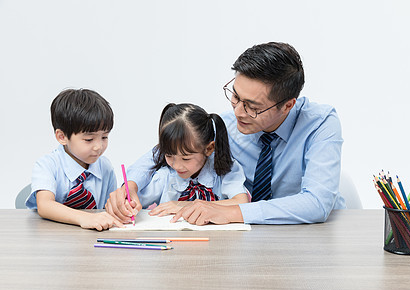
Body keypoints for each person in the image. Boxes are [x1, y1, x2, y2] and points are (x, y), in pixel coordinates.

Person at [106, 42, 345, 225]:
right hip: (247, 239)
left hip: (310, 237)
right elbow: (162, 153)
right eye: (235, 96)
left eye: (252, 106)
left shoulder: (320, 124)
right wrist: (131, 186)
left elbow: (316, 203)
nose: (238, 111)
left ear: (288, 105)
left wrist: (230, 211)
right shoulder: (228, 124)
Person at [108, 103, 249, 218]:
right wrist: (127, 205)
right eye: (169, 155)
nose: (176, 165)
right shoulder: (166, 175)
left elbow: (242, 202)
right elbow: (136, 197)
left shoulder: (225, 170)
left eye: (186, 158)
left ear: (209, 148)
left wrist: (185, 205)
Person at [25, 89, 122, 231]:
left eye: (104, 137)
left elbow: (109, 208)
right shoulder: (48, 165)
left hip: (95, 241)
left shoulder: (105, 167)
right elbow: (45, 205)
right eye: (89, 139)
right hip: (54, 239)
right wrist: (84, 218)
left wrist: (120, 207)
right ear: (62, 137)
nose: (98, 146)